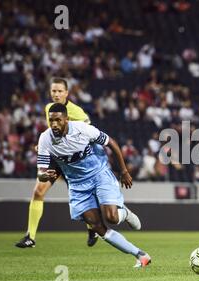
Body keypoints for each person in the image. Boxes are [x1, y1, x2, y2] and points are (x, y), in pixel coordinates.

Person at [15, 78, 140, 248]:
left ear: (67, 93)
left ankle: (95, 226)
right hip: (58, 158)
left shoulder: (78, 113)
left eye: (60, 91)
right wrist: (44, 145)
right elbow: (51, 134)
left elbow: (90, 137)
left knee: (86, 194)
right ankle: (30, 236)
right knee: (38, 191)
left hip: (79, 159)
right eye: (53, 91)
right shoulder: (49, 109)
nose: (56, 94)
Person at [36, 103, 150, 268]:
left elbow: (111, 143)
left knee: (112, 217)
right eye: (51, 120)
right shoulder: (45, 139)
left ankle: (124, 213)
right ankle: (141, 255)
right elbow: (41, 171)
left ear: (66, 120)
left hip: (99, 174)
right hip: (77, 185)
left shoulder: (83, 129)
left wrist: (123, 171)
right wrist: (44, 175)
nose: (54, 124)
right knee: (97, 227)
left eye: (58, 120)